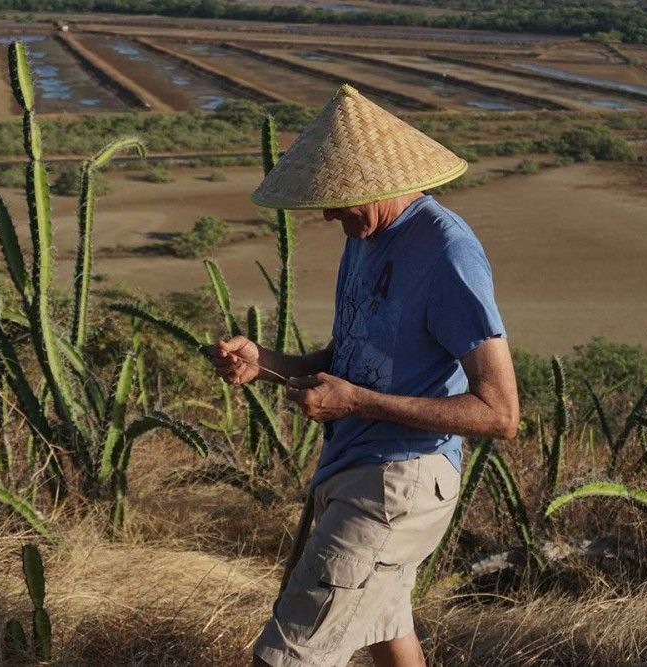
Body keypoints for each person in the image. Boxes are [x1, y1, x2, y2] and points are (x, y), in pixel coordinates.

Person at [205, 84, 519, 667]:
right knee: (386, 628)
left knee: (288, 653)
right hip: (354, 469)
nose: (328, 212)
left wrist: (357, 404)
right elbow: (348, 358)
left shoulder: (448, 253)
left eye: (339, 198)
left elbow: (499, 414)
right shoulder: (366, 238)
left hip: (399, 481)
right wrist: (264, 361)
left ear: (383, 184)